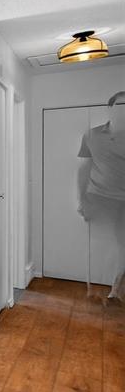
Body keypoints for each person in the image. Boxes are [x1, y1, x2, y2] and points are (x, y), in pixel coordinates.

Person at [78, 91, 125, 300]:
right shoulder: (92, 135)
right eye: (120, 105)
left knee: (120, 245)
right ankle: (93, 289)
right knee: (97, 244)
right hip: (98, 197)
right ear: (111, 108)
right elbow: (84, 168)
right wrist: (82, 199)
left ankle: (115, 290)